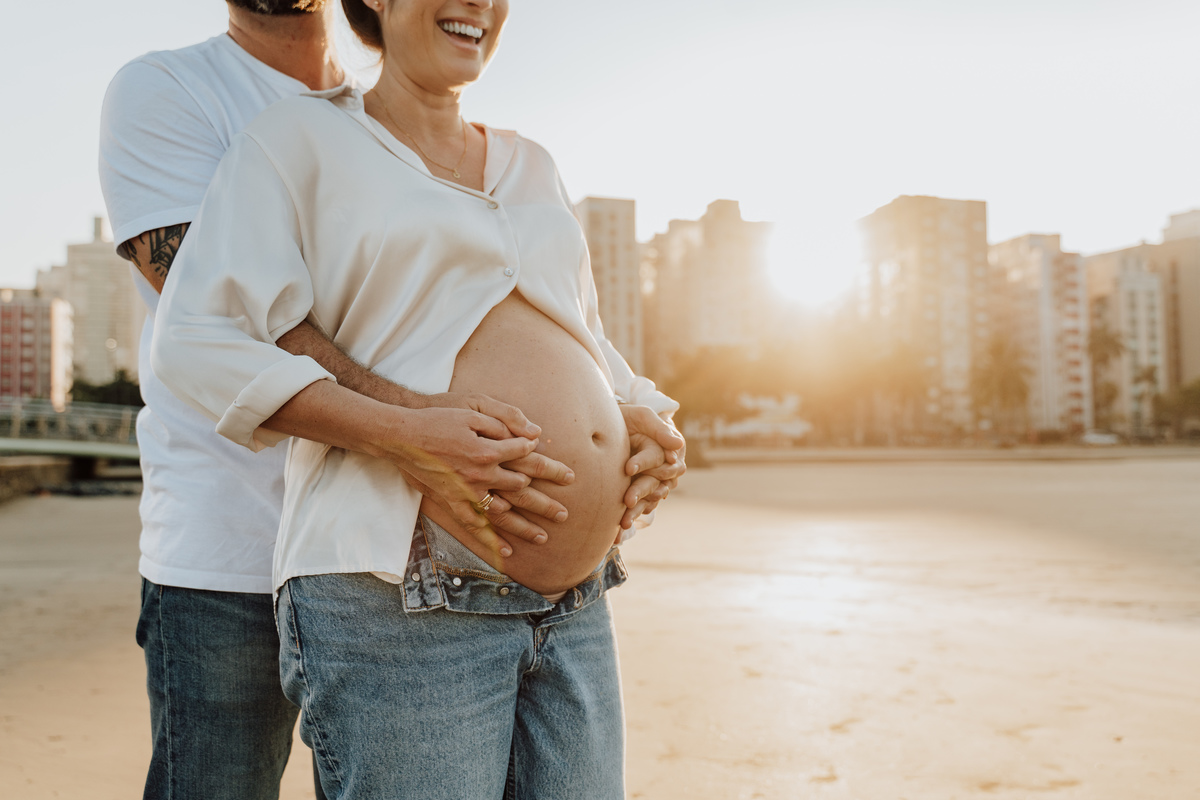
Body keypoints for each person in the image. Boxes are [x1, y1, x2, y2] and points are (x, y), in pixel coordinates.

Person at [99, 1, 656, 796]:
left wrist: (637, 421)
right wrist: (412, 433)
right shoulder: (276, 131)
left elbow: (584, 339)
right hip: (356, 570)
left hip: (571, 596)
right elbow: (210, 332)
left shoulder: (531, 162)